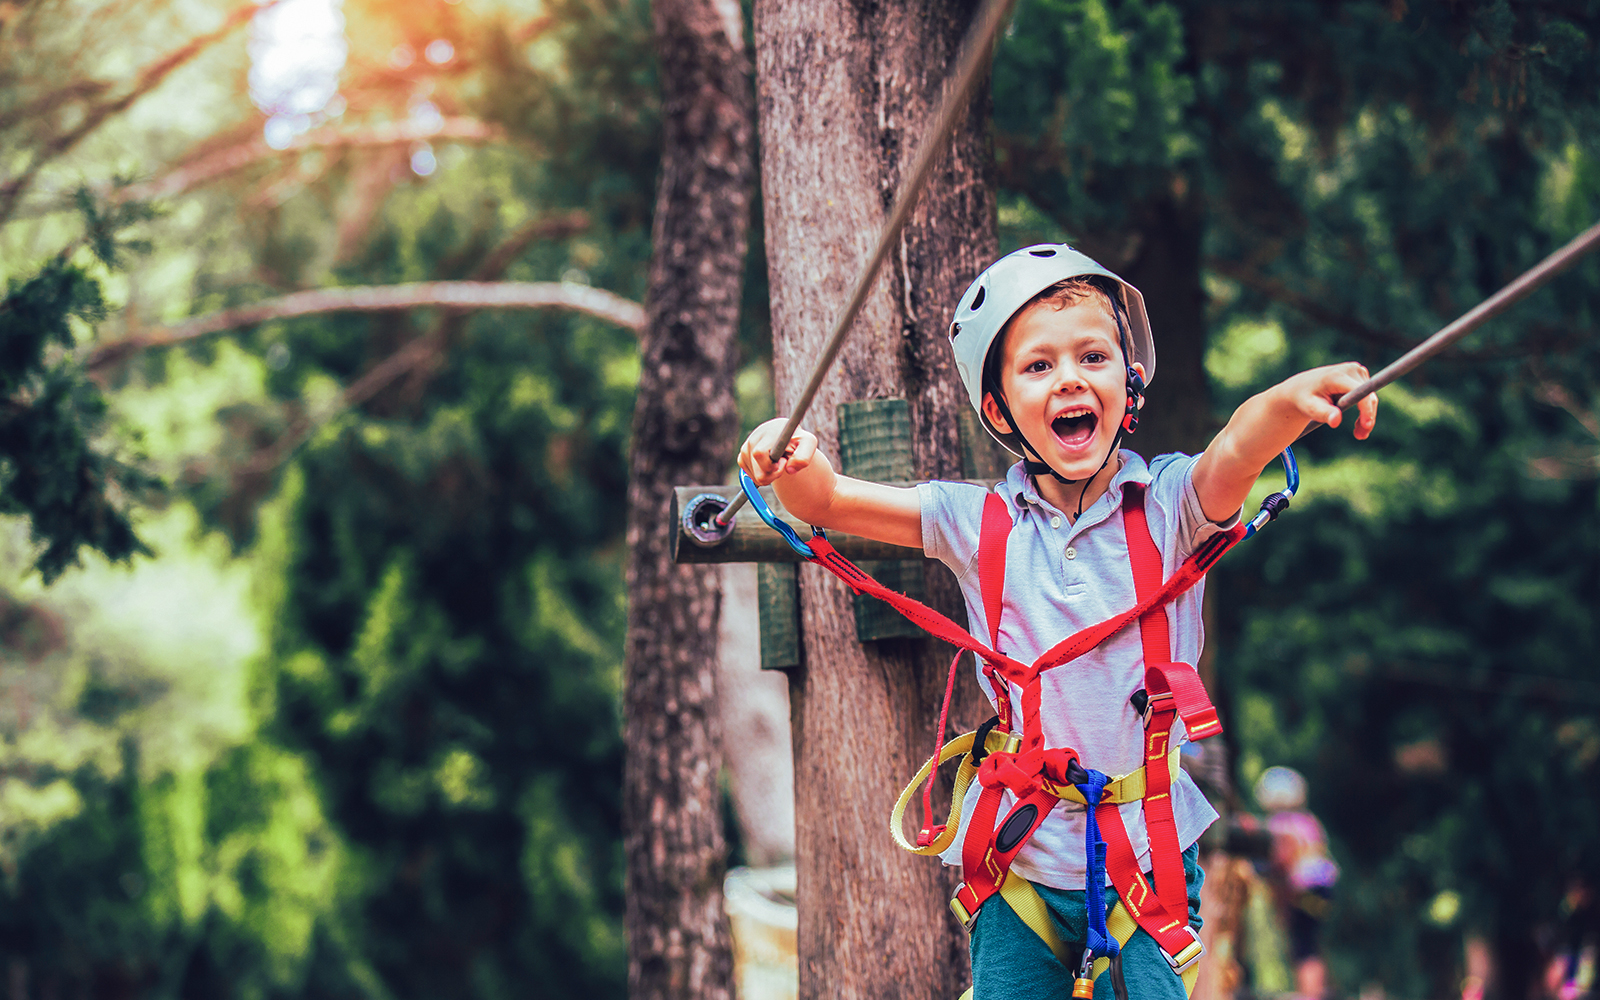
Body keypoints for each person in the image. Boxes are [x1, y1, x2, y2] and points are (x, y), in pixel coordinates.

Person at [737, 245, 1378, 999]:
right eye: (1038, 366)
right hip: (1022, 865)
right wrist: (793, 453)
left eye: (1092, 356)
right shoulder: (978, 522)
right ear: (998, 408)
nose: (1070, 377)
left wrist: (1293, 399)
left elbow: (1238, 447)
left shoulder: (1172, 506)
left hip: (1148, 856)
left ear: (1128, 380)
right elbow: (833, 503)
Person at [1254, 766, 1339, 1000]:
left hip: (1303, 890)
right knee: (1311, 939)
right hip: (1324, 889)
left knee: (1303, 943)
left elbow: (1282, 863)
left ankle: (1310, 992)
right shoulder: (1308, 821)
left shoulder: (1277, 825)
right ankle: (1316, 988)